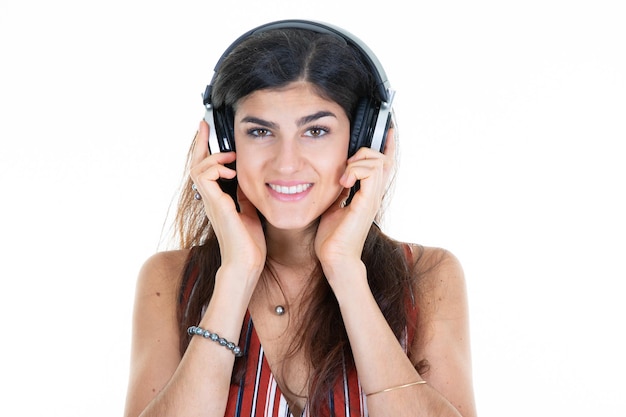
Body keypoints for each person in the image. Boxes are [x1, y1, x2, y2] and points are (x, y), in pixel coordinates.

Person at [124, 20, 476, 417]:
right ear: (224, 141)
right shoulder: (170, 279)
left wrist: (345, 270)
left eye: (316, 131)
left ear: (364, 141)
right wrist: (236, 274)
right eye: (259, 132)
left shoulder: (428, 275)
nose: (286, 163)